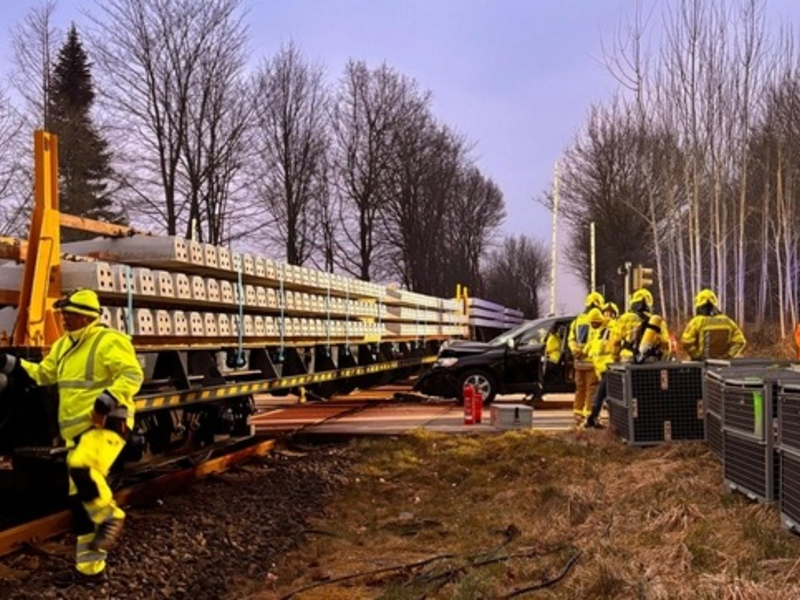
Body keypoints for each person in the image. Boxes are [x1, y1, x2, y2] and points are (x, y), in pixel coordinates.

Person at [0, 289, 143, 586]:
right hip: (75, 433)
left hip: (107, 425)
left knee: (82, 467)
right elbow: (42, 374)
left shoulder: (109, 340)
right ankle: (90, 572)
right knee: (80, 506)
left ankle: (109, 515)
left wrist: (108, 398)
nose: (63, 318)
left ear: (86, 315)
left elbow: (131, 374)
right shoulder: (64, 346)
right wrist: (8, 363)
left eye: (68, 313)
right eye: (62, 313)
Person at [568, 291, 604, 423]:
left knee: (580, 388)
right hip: (591, 361)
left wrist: (576, 351)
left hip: (578, 361)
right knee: (592, 389)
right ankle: (589, 414)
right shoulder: (597, 320)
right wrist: (586, 351)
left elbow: (571, 339)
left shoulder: (577, 320)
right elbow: (596, 340)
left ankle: (577, 413)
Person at [681, 289, 746, 360]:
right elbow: (740, 341)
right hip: (723, 365)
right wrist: (728, 356)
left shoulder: (697, 321)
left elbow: (686, 342)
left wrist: (697, 356)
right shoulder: (728, 321)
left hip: (702, 365)